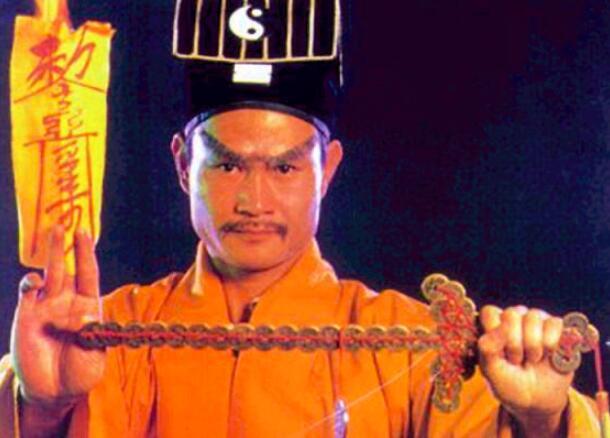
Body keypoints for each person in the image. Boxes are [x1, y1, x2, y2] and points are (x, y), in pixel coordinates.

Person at [0, 1, 602, 436]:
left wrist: (544, 420)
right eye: (227, 165)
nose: (254, 200)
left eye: (285, 168)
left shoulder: (413, 344)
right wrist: (41, 409)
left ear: (328, 169)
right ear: (183, 164)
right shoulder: (106, 336)